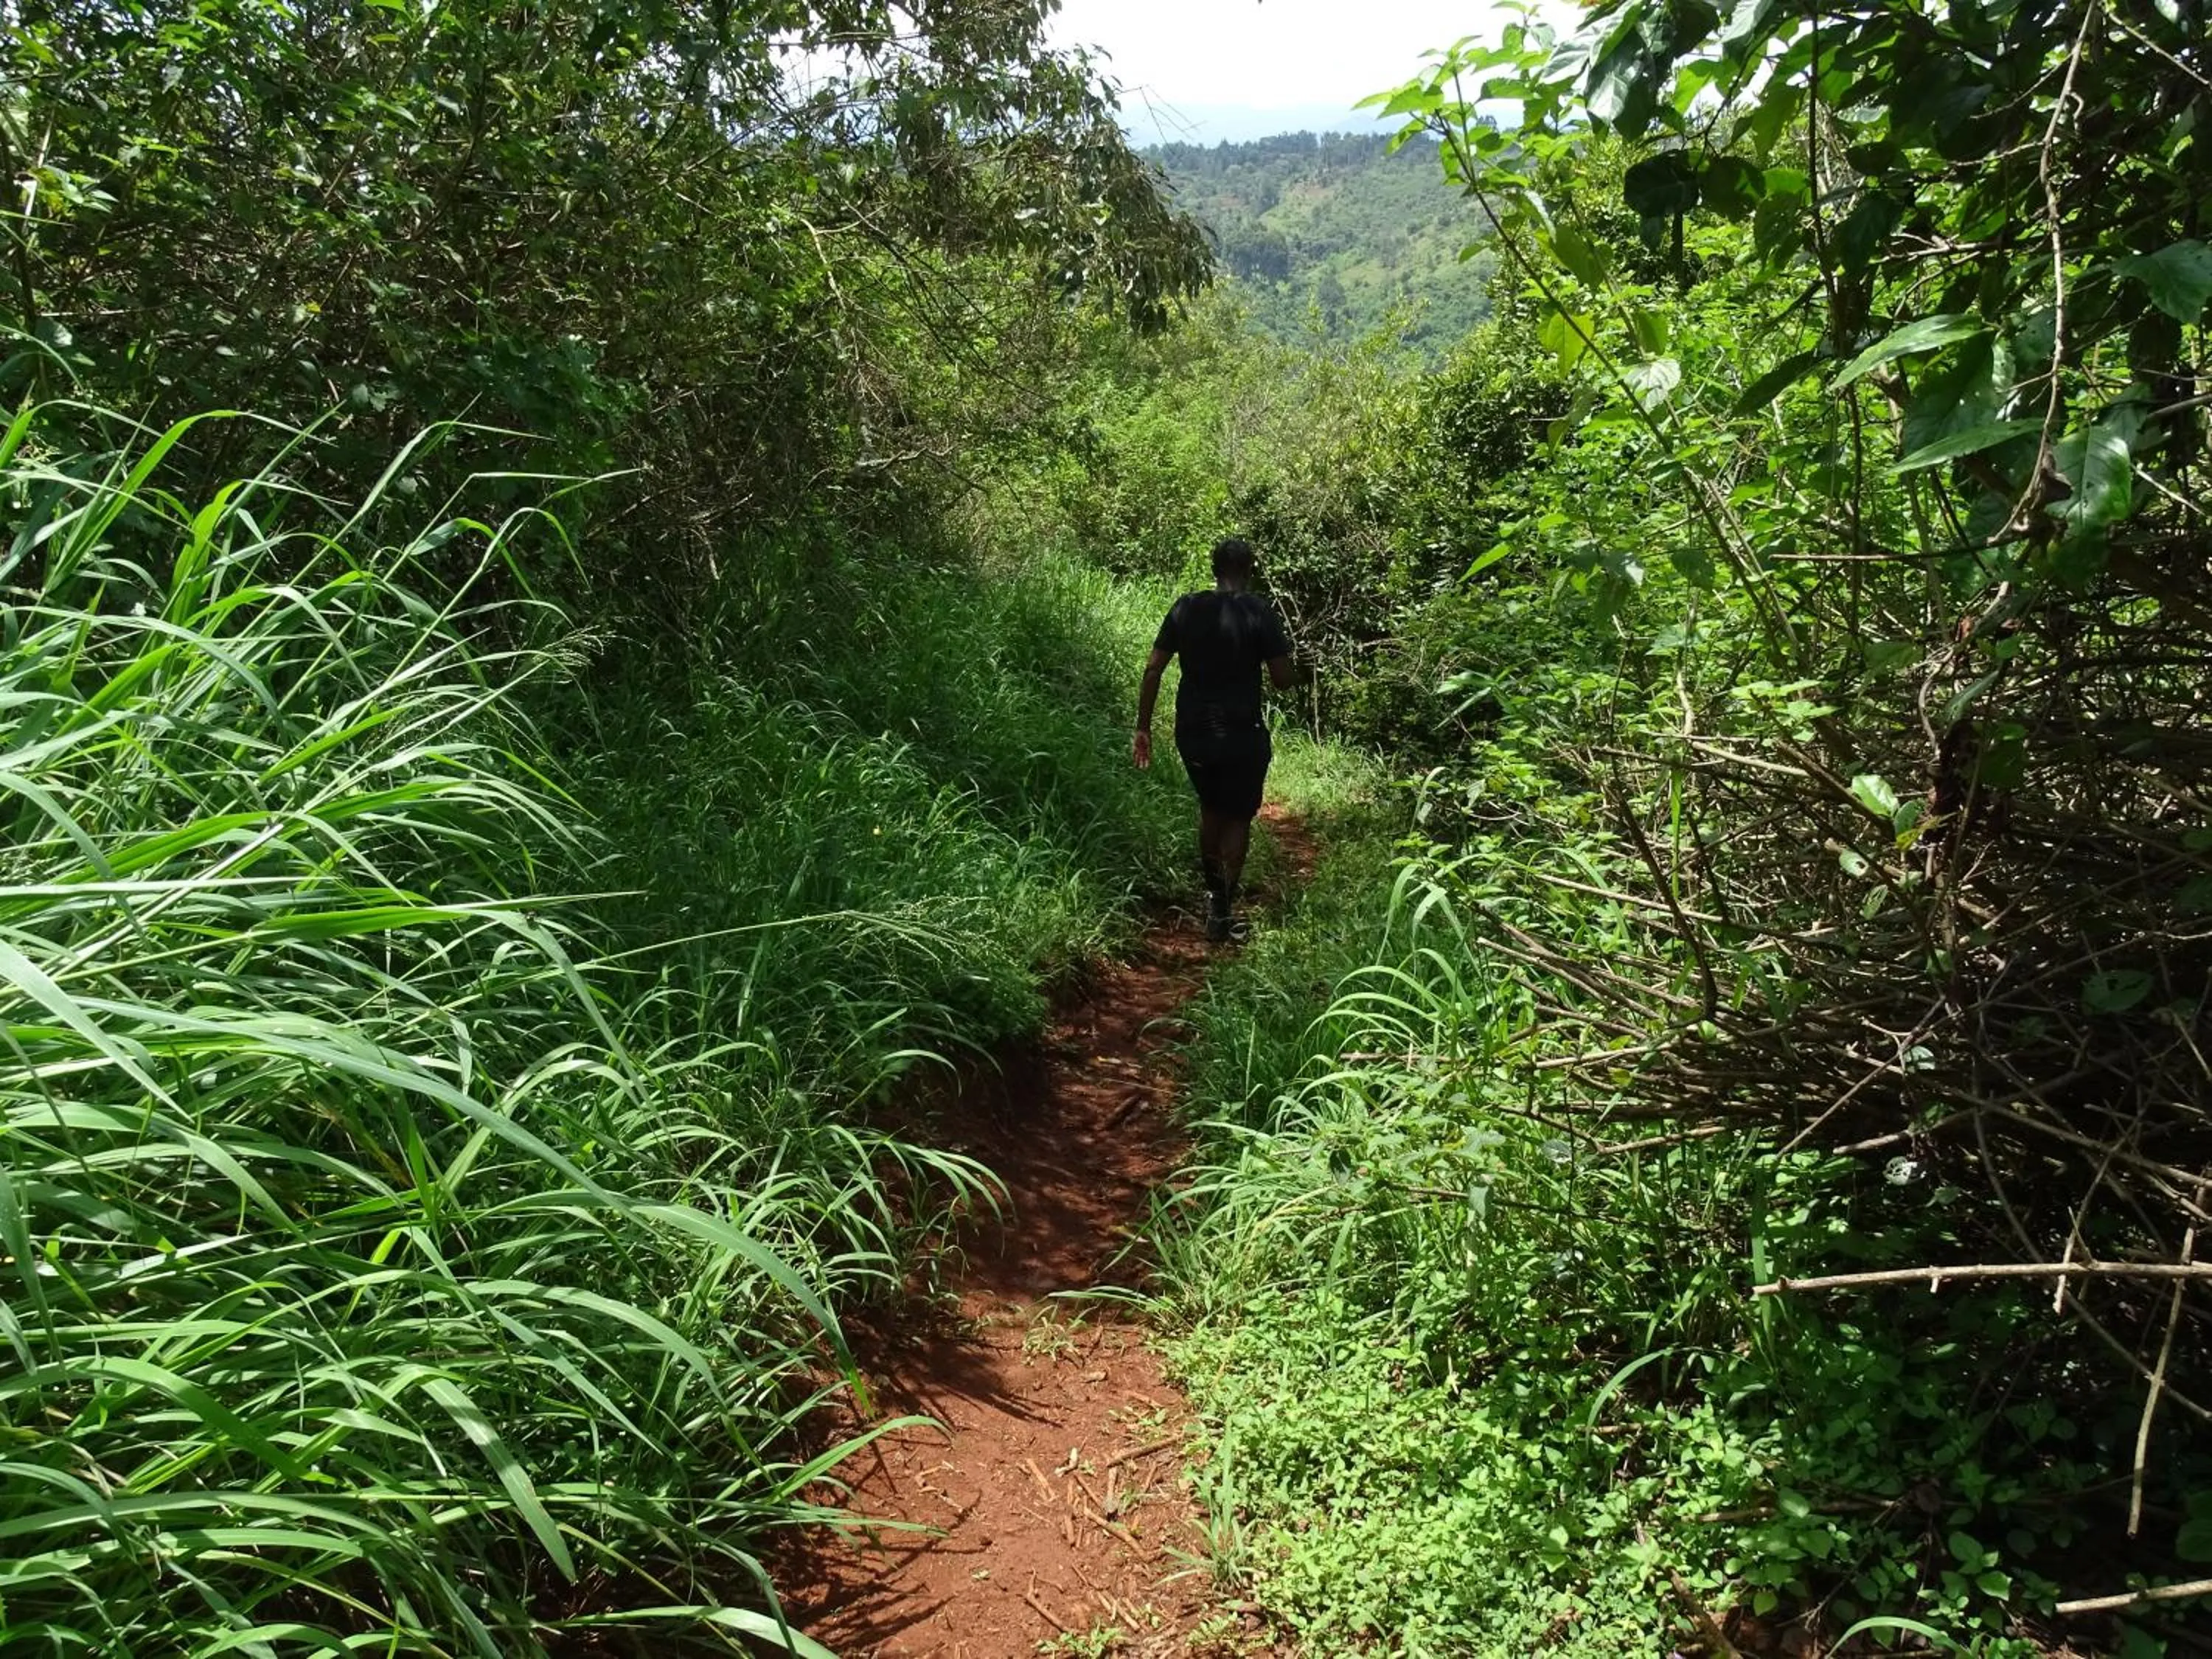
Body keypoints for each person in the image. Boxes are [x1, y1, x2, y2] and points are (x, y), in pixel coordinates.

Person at [1133, 536, 1298, 942]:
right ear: (1250, 570)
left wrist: (1143, 727)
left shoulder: (1186, 608)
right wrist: (1301, 671)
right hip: (1243, 734)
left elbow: (1153, 669)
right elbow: (1281, 680)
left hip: (1194, 733)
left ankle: (1213, 893)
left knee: (1211, 808)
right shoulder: (1258, 611)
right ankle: (1223, 908)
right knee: (1238, 817)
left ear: (1214, 570)